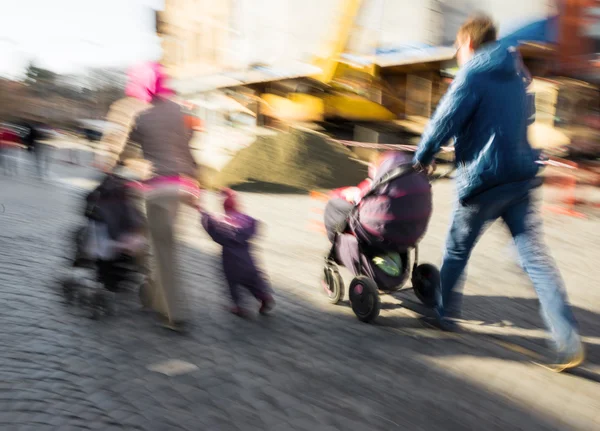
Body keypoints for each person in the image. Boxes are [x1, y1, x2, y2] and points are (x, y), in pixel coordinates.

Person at [412, 15, 584, 372]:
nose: (458, 54)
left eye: (458, 48)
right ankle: (567, 339)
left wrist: (422, 157)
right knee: (534, 260)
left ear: (469, 44)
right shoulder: (518, 73)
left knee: (457, 249)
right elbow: (524, 121)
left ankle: (443, 314)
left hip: (483, 181)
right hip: (520, 176)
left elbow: (445, 120)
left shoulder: (472, 73)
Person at [100, 62, 200, 332]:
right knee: (164, 245)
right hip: (180, 189)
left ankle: (173, 313)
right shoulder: (178, 111)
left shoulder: (141, 116)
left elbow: (125, 151)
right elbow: (187, 149)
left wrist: (111, 164)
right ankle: (157, 297)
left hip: (156, 191)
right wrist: (195, 181)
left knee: (162, 250)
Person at [200, 189, 275, 317]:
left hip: (230, 259)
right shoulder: (246, 220)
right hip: (247, 259)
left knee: (232, 284)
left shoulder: (221, 222)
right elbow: (256, 225)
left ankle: (238, 306)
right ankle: (264, 297)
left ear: (224, 206)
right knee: (253, 281)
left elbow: (210, 226)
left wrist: (202, 211)